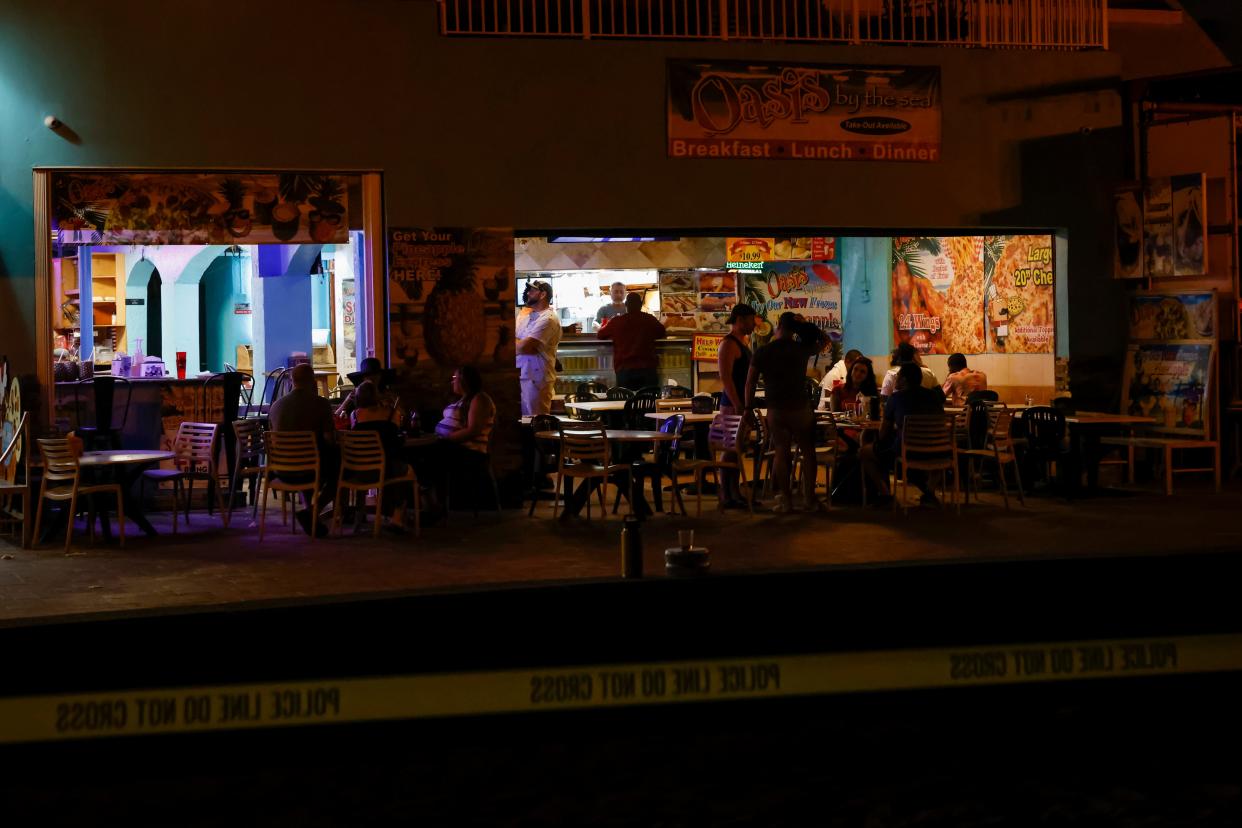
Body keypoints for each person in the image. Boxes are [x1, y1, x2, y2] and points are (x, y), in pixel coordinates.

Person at [745, 312, 826, 514]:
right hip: (800, 407)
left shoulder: (763, 352)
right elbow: (824, 340)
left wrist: (747, 408)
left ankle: (787, 501)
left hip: (776, 409)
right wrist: (806, 325)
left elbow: (750, 382)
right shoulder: (801, 349)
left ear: (778, 325)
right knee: (808, 452)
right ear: (794, 330)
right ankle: (809, 499)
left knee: (781, 452)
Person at [860, 361, 946, 507]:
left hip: (907, 451)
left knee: (864, 452)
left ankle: (886, 494)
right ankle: (929, 492)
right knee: (903, 453)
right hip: (938, 451)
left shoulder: (896, 398)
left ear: (904, 379)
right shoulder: (933, 396)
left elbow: (882, 434)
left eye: (898, 376)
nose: (896, 379)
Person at [419, 364, 496, 518]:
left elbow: (473, 429)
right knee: (420, 454)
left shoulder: (480, 399)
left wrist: (446, 438)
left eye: (454, 378)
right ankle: (429, 503)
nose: (452, 381)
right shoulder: (463, 400)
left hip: (471, 453)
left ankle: (433, 506)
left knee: (426, 454)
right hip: (454, 448)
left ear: (464, 380)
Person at [268, 363, 336, 536]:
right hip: (310, 471)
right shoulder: (321, 404)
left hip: (282, 471)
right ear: (313, 381)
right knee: (341, 469)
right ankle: (314, 511)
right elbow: (329, 439)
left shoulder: (275, 406)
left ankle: (310, 512)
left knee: (306, 460)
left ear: (292, 381)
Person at [348, 380, 413, 531]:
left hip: (360, 471)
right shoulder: (390, 413)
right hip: (386, 470)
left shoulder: (355, 416)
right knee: (409, 470)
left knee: (397, 466)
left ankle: (363, 514)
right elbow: (397, 437)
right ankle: (398, 516)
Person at [716, 304, 756, 508]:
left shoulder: (744, 341)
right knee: (730, 449)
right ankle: (727, 493)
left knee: (737, 450)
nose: (753, 324)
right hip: (732, 404)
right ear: (740, 319)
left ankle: (734, 492)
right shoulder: (728, 344)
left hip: (741, 403)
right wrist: (738, 404)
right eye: (751, 320)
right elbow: (726, 378)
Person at [597, 292, 666, 391]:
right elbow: (661, 332)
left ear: (626, 305)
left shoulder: (616, 322)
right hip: (647, 370)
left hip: (624, 371)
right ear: (641, 305)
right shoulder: (649, 320)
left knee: (625, 402)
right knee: (648, 401)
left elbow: (600, 335)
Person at [515, 280, 561, 416]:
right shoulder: (525, 316)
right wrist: (521, 344)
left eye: (532, 290)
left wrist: (520, 344)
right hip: (523, 375)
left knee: (536, 423)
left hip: (537, 379)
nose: (528, 293)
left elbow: (525, 347)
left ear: (542, 295)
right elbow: (519, 345)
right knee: (523, 423)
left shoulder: (549, 319)